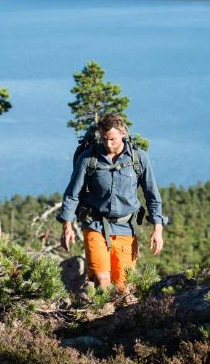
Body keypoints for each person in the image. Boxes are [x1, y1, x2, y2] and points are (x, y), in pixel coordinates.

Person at [58, 113, 166, 290]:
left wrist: (158, 229)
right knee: (102, 280)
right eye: (104, 139)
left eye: (113, 139)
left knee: (122, 287)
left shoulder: (138, 159)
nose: (108, 144)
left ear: (123, 133)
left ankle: (112, 317)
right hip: (95, 225)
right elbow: (72, 194)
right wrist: (67, 226)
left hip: (126, 228)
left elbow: (152, 195)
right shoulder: (88, 159)